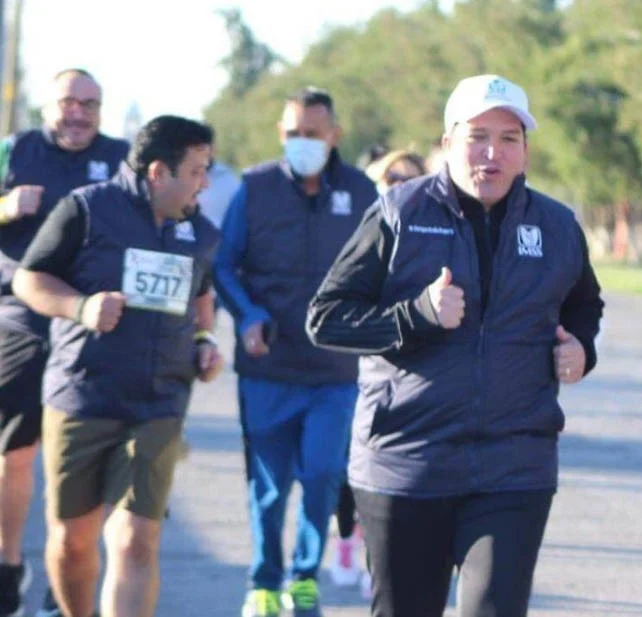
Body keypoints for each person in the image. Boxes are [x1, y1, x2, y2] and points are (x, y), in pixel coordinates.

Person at [307, 74, 605, 617]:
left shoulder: (558, 227)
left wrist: (581, 347)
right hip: (406, 464)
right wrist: (416, 314)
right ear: (447, 144)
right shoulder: (399, 213)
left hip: (515, 466)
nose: (492, 153)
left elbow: (585, 305)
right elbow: (327, 319)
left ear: (525, 152)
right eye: (477, 136)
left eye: (509, 138)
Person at [11, 115, 222, 617]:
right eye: (195, 170)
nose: (204, 182)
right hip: (83, 397)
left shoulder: (200, 231)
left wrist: (205, 340)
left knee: (134, 539)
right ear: (157, 172)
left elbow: (202, 295)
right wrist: (81, 307)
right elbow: (28, 280)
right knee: (73, 542)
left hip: (159, 402)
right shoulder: (86, 209)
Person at [213, 87, 377, 617]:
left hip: (336, 371)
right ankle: (264, 580)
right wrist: (248, 316)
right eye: (292, 134)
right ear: (280, 136)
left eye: (312, 133)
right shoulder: (256, 188)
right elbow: (223, 265)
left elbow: (386, 267)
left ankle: (305, 575)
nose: (302, 142)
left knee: (324, 474)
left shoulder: (361, 190)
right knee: (268, 485)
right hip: (269, 366)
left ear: (335, 135)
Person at [0, 68, 129, 617]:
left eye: (89, 105)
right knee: (17, 453)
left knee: (84, 456)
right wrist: (5, 208)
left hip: (94, 319)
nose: (78, 113)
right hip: (22, 316)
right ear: (48, 105)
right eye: (68, 102)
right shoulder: (14, 149)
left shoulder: (122, 156)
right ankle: (8, 567)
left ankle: (68, 578)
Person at [328, 147, 427, 596]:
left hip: (410, 380)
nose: (399, 186)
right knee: (350, 471)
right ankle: (346, 540)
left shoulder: (433, 236)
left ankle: (380, 562)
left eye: (409, 179)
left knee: (399, 475)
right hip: (353, 375)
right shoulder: (366, 230)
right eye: (391, 179)